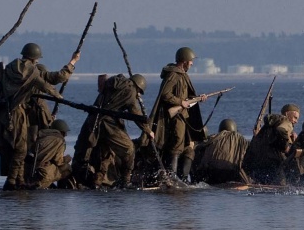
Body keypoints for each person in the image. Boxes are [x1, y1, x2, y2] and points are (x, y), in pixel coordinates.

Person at [0, 42, 79, 190]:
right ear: (35, 59)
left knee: (17, 148)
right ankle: (11, 181)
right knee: (21, 149)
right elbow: (48, 84)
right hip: (17, 115)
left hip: (5, 114)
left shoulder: (10, 69)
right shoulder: (32, 72)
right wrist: (58, 95)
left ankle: (20, 180)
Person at [72, 73, 148, 188]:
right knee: (129, 149)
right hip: (109, 124)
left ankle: (93, 181)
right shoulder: (130, 92)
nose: (138, 96)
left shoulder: (113, 82)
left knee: (101, 151)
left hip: (94, 122)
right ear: (138, 87)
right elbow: (136, 114)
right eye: (139, 93)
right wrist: (148, 130)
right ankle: (125, 181)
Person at [154, 46, 208, 181]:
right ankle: (171, 177)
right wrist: (180, 102)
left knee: (188, 147)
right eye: (190, 61)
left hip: (184, 116)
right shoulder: (174, 75)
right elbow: (165, 94)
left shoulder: (182, 74)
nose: (192, 63)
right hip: (176, 117)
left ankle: (183, 179)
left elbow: (186, 96)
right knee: (177, 145)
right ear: (184, 60)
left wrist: (197, 98)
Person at [241, 103, 299, 185]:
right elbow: (281, 130)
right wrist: (286, 147)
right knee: (281, 188)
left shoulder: (269, 125)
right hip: (273, 165)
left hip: (259, 164)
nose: (296, 121)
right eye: (295, 118)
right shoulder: (285, 121)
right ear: (287, 114)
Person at [192, 118, 249, 185]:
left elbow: (199, 148)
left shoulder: (213, 138)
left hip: (211, 173)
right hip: (231, 174)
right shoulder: (241, 140)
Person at [30, 119, 73, 189]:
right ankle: (61, 189)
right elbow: (59, 162)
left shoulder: (41, 135)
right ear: (61, 132)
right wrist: (67, 159)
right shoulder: (59, 140)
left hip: (31, 167)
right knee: (67, 168)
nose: (66, 135)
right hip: (43, 171)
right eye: (65, 133)